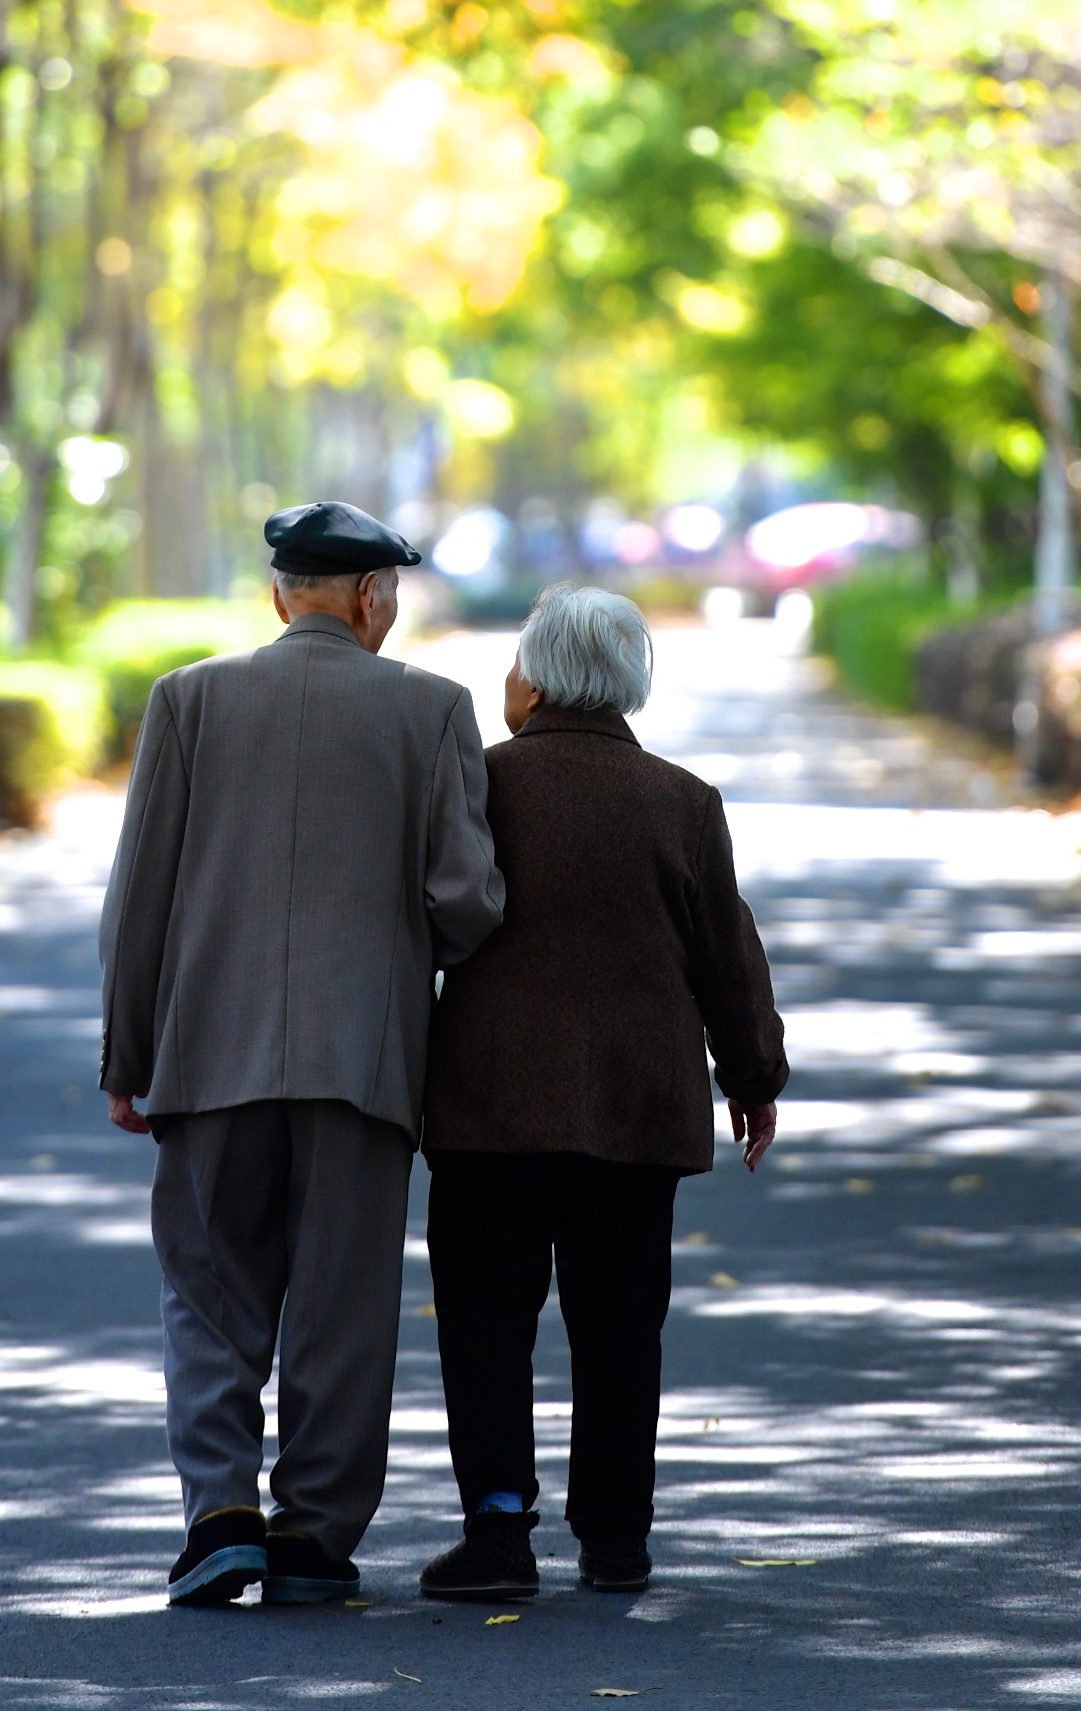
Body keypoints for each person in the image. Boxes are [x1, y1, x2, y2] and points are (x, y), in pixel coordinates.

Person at [99, 499, 504, 1609]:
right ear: (374, 598)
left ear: (280, 595)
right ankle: (314, 1537)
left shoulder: (187, 700)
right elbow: (464, 902)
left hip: (204, 1055)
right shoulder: (428, 709)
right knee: (340, 1301)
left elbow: (140, 898)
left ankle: (219, 1512)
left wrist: (126, 1053)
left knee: (209, 1290)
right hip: (360, 1062)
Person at [418, 582, 787, 1603]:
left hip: (487, 1106)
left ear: (531, 678)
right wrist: (752, 1077)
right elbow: (726, 957)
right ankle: (614, 1536)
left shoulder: (477, 786)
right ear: (627, 683)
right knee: (620, 1325)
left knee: (485, 1322)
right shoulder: (680, 801)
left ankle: (497, 1532)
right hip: (635, 1105)